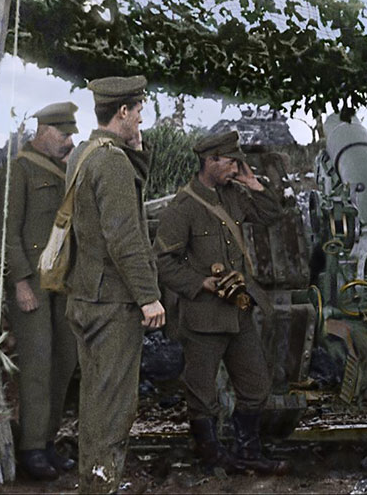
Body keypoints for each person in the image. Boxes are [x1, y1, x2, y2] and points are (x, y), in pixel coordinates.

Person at [154, 130, 289, 475]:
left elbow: (272, 215)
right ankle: (210, 456)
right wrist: (201, 283)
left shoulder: (234, 196)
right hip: (203, 315)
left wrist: (252, 182)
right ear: (210, 161)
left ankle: (247, 451)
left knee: (256, 385)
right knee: (201, 393)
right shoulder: (182, 208)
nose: (236, 167)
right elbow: (163, 262)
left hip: (238, 313)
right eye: (231, 162)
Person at [65, 75, 165, 493]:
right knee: (114, 410)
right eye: (138, 110)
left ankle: (92, 480)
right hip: (112, 303)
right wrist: (148, 298)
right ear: (122, 112)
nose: (142, 118)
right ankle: (101, 487)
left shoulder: (85, 154)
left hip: (85, 295)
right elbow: (124, 237)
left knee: (94, 402)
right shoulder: (112, 162)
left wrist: (136, 154)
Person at [0, 102, 79, 479]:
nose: (69, 141)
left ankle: (46, 441)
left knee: (64, 362)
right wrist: (20, 282)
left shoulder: (66, 172)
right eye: (63, 134)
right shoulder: (16, 171)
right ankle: (30, 450)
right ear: (42, 130)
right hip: (32, 285)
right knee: (38, 367)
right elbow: (5, 233)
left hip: (64, 281)